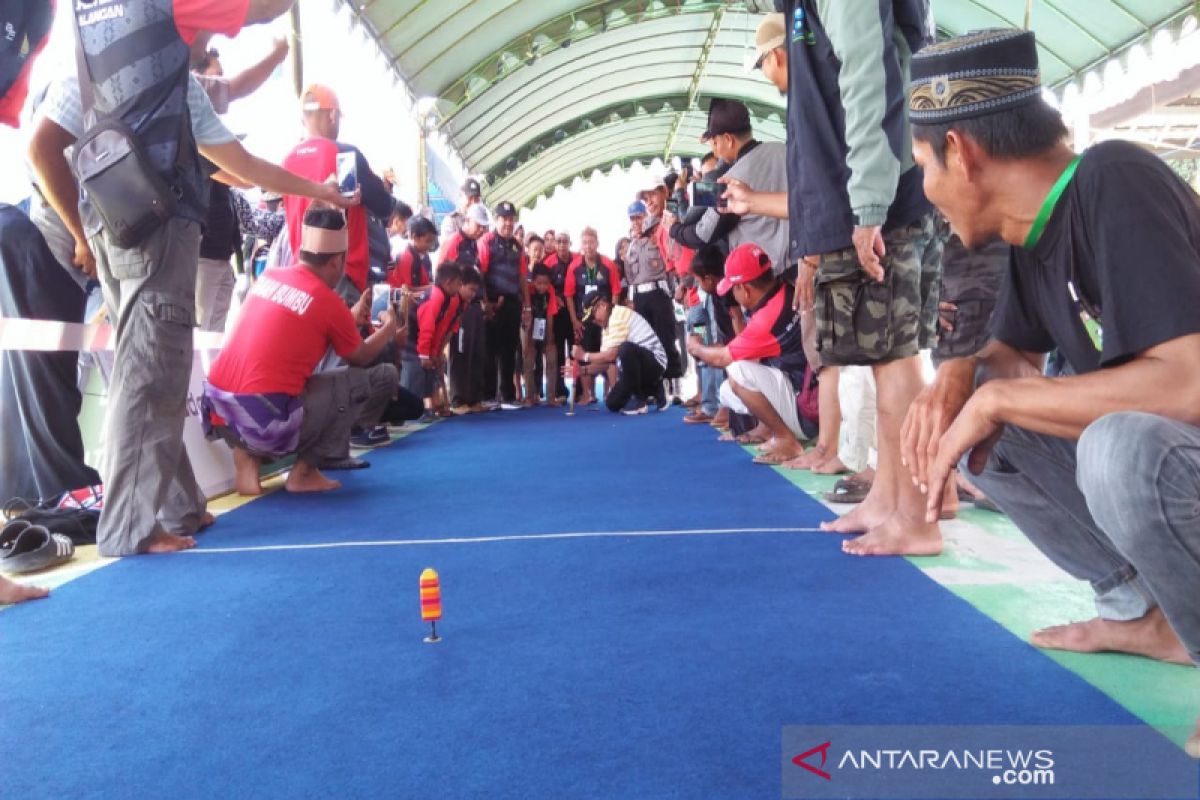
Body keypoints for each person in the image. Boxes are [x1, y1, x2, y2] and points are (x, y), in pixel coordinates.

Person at [900, 29, 1200, 755]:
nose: (928, 193)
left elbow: (1188, 384)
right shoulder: (1032, 240)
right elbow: (1009, 361)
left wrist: (997, 398)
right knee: (983, 429)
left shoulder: (1114, 179)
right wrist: (961, 376)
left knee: (1119, 446)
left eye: (923, 168)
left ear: (962, 153)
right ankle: (1162, 617)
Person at [51, 0, 347, 557]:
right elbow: (258, 11)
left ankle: (181, 506)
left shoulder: (109, 45)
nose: (212, 44)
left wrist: (84, 232)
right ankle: (129, 528)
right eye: (209, 40)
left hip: (114, 217)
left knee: (153, 369)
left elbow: (236, 163)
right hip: (156, 226)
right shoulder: (167, 31)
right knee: (151, 370)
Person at [204, 208, 399, 497]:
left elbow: (297, 324)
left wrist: (347, 319)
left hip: (219, 414)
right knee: (371, 378)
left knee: (265, 385)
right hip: (265, 423)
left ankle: (246, 462)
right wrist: (390, 328)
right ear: (337, 262)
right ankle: (305, 471)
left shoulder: (269, 276)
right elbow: (359, 356)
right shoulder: (327, 301)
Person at [686, 244, 808, 463]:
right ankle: (765, 429)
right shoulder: (781, 291)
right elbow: (716, 333)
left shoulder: (763, 314)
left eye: (734, 289)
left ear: (745, 289)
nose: (733, 295)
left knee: (737, 370)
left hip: (805, 406)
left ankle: (785, 438)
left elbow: (725, 355)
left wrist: (695, 347)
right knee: (730, 384)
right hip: (804, 392)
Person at [282, 83, 394, 305]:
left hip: (302, 270)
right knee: (347, 338)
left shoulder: (288, 160)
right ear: (332, 115)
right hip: (341, 270)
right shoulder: (343, 155)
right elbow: (384, 206)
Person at [624, 181, 683, 382]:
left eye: (639, 216)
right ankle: (653, 385)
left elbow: (673, 259)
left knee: (667, 338)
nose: (636, 221)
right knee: (646, 341)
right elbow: (629, 276)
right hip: (640, 297)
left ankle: (674, 383)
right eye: (632, 218)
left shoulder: (660, 228)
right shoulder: (630, 245)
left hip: (661, 293)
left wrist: (678, 287)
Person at [573, 293, 668, 415]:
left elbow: (611, 355)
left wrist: (584, 356)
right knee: (612, 403)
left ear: (602, 305)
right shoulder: (607, 325)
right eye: (591, 319)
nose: (594, 321)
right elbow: (606, 362)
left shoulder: (618, 316)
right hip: (639, 367)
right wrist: (582, 370)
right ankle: (655, 388)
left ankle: (639, 401)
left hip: (655, 362)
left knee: (625, 349)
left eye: (593, 315)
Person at [683, 245, 744, 426]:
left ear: (708, 279)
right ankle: (709, 401)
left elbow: (736, 318)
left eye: (698, 280)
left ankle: (712, 406)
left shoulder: (721, 289)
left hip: (704, 310)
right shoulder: (702, 286)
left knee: (709, 350)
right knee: (701, 353)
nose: (697, 283)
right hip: (695, 310)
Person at [477, 201, 528, 410]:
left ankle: (507, 395)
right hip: (492, 303)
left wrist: (527, 306)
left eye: (510, 219)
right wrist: (485, 303)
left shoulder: (518, 245)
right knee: (490, 349)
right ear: (496, 220)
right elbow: (481, 274)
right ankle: (489, 395)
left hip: (513, 303)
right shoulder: (486, 241)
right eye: (504, 219)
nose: (508, 223)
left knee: (510, 349)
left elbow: (523, 277)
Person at [564, 227, 621, 404]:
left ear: (597, 243)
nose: (588, 246)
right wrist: (574, 320)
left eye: (591, 242)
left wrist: (614, 317)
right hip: (584, 320)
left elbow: (616, 291)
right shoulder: (574, 266)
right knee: (584, 356)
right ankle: (588, 394)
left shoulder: (608, 264)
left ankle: (613, 393)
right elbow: (568, 295)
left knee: (609, 355)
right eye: (585, 243)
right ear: (581, 245)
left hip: (605, 320)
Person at [442, 204, 490, 412]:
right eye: (479, 225)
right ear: (468, 220)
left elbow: (480, 276)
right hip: (459, 305)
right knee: (459, 351)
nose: (481, 230)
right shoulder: (454, 242)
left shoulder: (474, 246)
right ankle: (458, 399)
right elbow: (441, 271)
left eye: (484, 227)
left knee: (477, 350)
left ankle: (473, 398)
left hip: (476, 305)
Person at [404, 262, 464, 407]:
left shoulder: (446, 298)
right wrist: (424, 355)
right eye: (458, 283)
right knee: (414, 375)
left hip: (423, 342)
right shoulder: (435, 297)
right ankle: (411, 411)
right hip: (411, 339)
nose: (460, 287)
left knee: (429, 373)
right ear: (448, 282)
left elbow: (440, 329)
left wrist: (434, 353)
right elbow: (427, 327)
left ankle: (427, 408)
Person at [522, 265, 562, 406]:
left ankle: (551, 397)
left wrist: (550, 340)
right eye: (539, 283)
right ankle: (529, 396)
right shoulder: (528, 290)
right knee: (529, 358)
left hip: (544, 323)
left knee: (552, 356)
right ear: (533, 281)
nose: (542, 287)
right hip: (528, 325)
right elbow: (527, 317)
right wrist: (529, 341)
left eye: (545, 283)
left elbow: (550, 315)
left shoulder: (550, 291)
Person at [542, 230, 575, 399]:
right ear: (555, 245)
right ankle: (561, 390)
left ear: (570, 243)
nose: (562, 244)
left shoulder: (577, 259)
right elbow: (544, 284)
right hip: (558, 313)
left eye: (565, 241)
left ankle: (581, 390)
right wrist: (556, 298)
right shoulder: (549, 263)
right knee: (560, 353)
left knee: (575, 351)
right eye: (559, 241)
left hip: (575, 314)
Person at [388, 216, 436, 290]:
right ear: (415, 237)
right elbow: (408, 289)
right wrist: (433, 287)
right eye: (428, 241)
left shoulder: (416, 255)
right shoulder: (407, 257)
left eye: (431, 242)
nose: (430, 246)